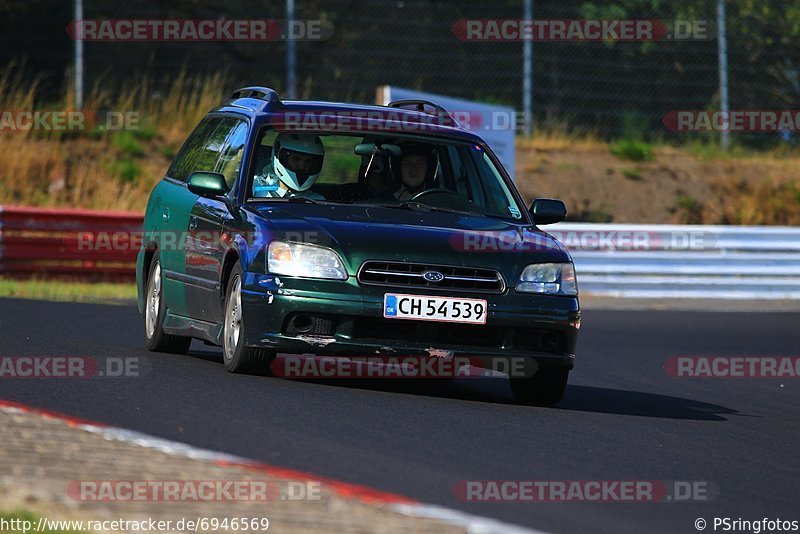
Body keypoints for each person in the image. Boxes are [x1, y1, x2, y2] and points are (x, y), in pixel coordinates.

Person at [253, 133, 325, 199]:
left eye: (308, 161)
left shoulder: (318, 200)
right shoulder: (256, 186)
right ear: (281, 157)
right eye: (296, 159)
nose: (302, 166)